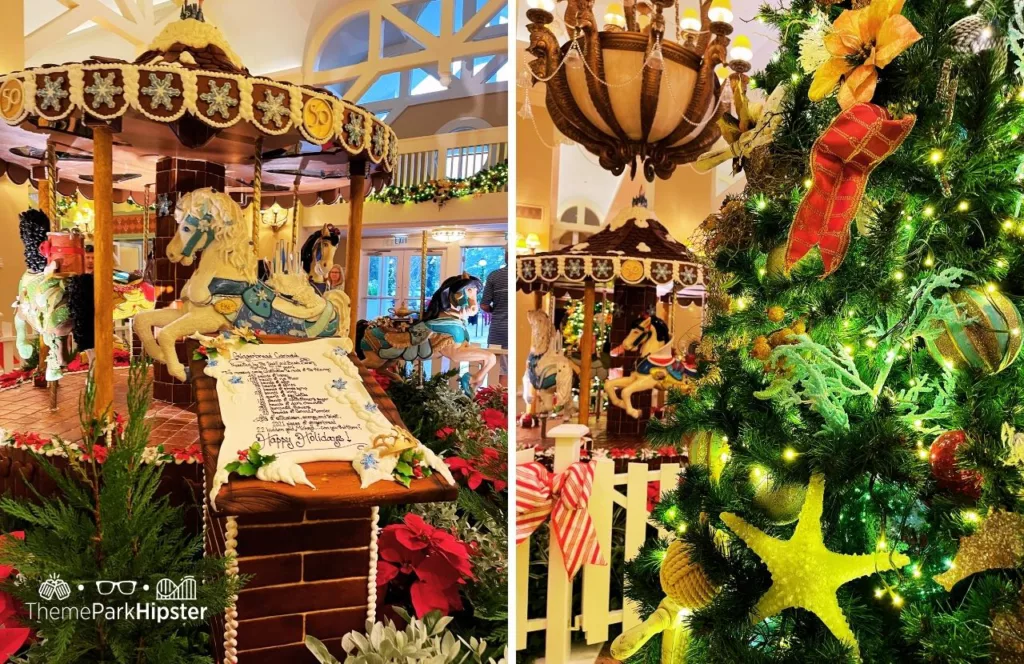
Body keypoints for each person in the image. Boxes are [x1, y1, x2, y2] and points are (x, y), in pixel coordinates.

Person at [480, 256, 508, 386]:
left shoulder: (494, 276)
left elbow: (484, 305)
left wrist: (495, 310)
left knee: (499, 370)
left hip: (499, 329)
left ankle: (499, 403)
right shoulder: (528, 276)